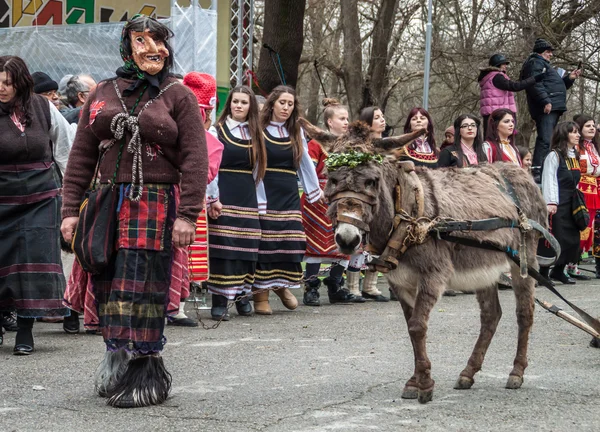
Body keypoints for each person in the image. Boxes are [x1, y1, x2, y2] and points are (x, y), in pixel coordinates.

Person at [60, 15, 208, 408]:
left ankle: (146, 373)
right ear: (127, 47)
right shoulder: (104, 92)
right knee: (108, 279)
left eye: (158, 40)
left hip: (155, 202)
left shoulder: (179, 94)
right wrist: (70, 211)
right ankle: (116, 360)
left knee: (144, 284)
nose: (151, 49)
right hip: (107, 200)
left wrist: (188, 215)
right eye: (140, 41)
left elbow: (196, 158)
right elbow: (80, 156)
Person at [0, 56, 74, 354]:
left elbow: (66, 151)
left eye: (7, 83)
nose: (2, 89)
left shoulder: (44, 108)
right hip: (2, 197)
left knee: (35, 262)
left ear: (21, 82)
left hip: (41, 198)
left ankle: (25, 334)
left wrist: (72, 196)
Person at [252, 85, 321, 314]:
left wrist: (314, 191)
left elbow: (305, 163)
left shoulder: (295, 131)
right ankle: (261, 296)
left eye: (290, 104)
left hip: (289, 189)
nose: (286, 107)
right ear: (272, 103)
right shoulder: (259, 129)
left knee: (290, 240)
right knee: (266, 242)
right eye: (282, 102)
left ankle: (281, 286)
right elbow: (254, 164)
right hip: (265, 187)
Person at [301, 99, 372, 306]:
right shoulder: (316, 144)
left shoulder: (352, 146)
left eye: (347, 119)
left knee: (346, 242)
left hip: (345, 200)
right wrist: (319, 190)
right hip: (319, 199)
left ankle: (335, 284)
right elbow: (309, 171)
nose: (346, 122)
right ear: (329, 122)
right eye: (342, 118)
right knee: (316, 245)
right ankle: (311, 287)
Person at [204, 86, 266, 320]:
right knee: (224, 248)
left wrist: (262, 205)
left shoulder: (255, 133)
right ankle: (219, 301)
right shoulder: (216, 131)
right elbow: (212, 166)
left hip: (247, 195)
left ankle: (242, 296)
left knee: (247, 249)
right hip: (224, 193)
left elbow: (258, 172)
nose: (238, 106)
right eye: (235, 101)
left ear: (251, 107)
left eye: (244, 102)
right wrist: (213, 198)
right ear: (228, 104)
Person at [520, 38, 582, 180]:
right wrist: (545, 101)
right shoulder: (535, 63)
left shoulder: (545, 65)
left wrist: (570, 78)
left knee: (550, 139)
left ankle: (545, 168)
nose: (551, 54)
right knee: (545, 138)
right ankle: (538, 170)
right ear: (541, 52)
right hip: (546, 107)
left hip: (553, 106)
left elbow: (556, 86)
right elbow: (535, 84)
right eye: (548, 52)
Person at [541, 121, 582, 284]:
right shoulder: (554, 155)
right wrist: (551, 202)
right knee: (555, 237)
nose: (578, 135)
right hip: (558, 203)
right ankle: (543, 272)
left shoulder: (575, 155)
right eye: (574, 132)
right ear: (565, 134)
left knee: (572, 239)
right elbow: (549, 179)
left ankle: (558, 271)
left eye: (578, 132)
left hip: (573, 203)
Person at [567, 114, 600, 279]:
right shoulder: (575, 149)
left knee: (589, 230)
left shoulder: (595, 147)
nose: (592, 128)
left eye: (593, 125)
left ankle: (575, 263)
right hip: (580, 191)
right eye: (588, 126)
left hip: (595, 192)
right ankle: (567, 264)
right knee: (578, 227)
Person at [478, 53, 540, 136]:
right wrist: (534, 79)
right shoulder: (497, 77)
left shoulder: (488, 77)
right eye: (503, 64)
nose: (505, 66)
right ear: (498, 65)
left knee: (491, 139)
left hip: (491, 115)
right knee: (499, 140)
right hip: (499, 116)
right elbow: (515, 86)